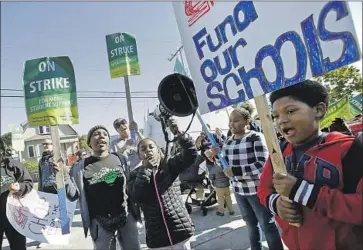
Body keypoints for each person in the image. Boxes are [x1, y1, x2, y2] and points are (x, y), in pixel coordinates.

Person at [257, 80, 363, 250]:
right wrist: (275, 203)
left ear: (319, 110)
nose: (281, 121)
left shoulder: (351, 150)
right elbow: (263, 188)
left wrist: (302, 192)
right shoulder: (278, 153)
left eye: (290, 111)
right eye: (275, 116)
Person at [208, 107, 283, 250]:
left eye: (236, 120)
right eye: (230, 121)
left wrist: (236, 171)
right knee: (250, 225)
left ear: (247, 121)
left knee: (267, 224)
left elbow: (263, 163)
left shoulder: (255, 137)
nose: (232, 124)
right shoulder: (228, 141)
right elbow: (225, 167)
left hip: (257, 190)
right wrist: (216, 156)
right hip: (239, 191)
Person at [67, 125, 141, 250]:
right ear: (89, 143)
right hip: (99, 222)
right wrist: (62, 176)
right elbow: (72, 195)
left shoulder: (121, 159)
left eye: (104, 134)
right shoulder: (80, 167)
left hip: (126, 216)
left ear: (108, 140)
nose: (101, 136)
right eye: (96, 134)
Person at [128, 118, 197, 249]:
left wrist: (179, 134)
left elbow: (191, 154)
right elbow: (137, 196)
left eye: (151, 147)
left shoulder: (170, 166)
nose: (147, 150)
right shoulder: (134, 175)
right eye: (143, 149)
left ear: (158, 151)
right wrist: (146, 170)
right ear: (139, 155)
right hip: (157, 237)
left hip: (180, 232)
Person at [0, 137, 33, 250]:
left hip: (14, 215)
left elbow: (28, 183)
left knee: (18, 246)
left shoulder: (14, 166)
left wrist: (20, 187)